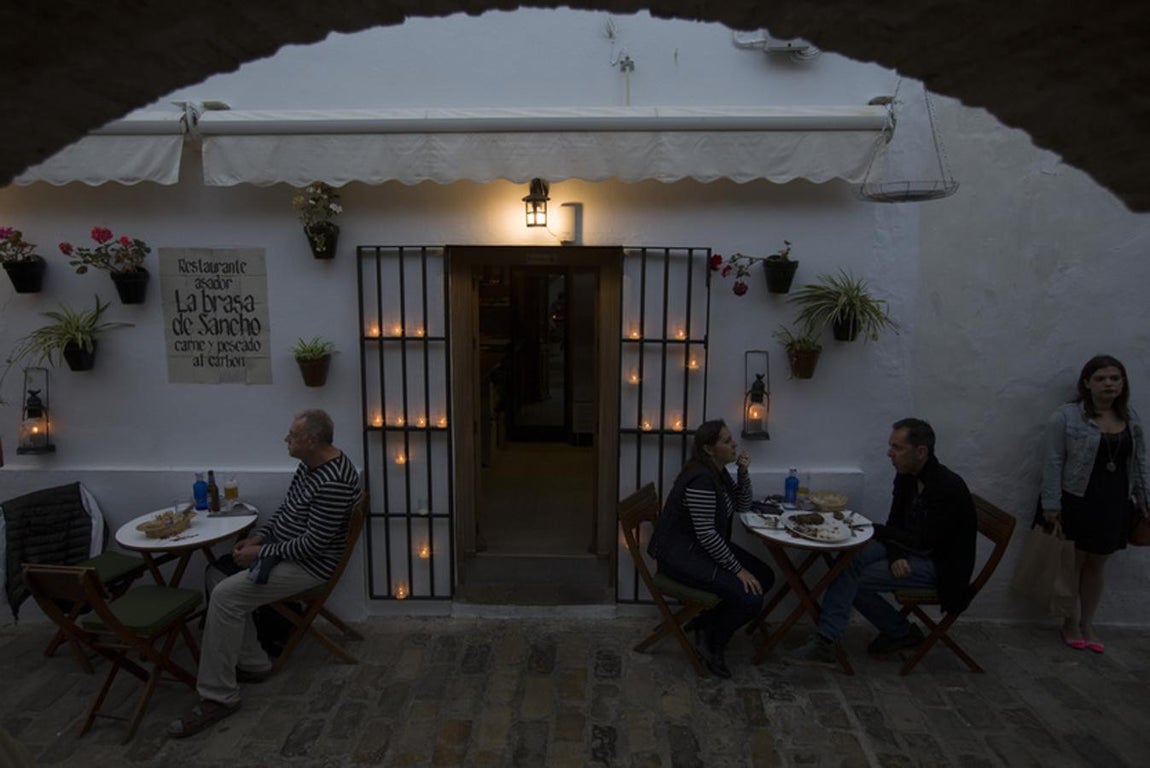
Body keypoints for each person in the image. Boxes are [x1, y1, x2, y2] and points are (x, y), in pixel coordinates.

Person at [168, 409, 360, 738]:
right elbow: (288, 512)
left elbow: (314, 545)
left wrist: (261, 553)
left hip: (309, 567)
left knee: (226, 595)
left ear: (311, 441)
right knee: (217, 575)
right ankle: (254, 663)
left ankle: (219, 697)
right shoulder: (309, 465)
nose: (286, 440)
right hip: (287, 552)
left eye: (292, 436)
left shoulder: (334, 481)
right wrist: (260, 536)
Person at [790, 418, 976, 667]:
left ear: (921, 452)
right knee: (848, 560)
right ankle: (897, 631)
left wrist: (884, 537)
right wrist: (895, 552)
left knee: (849, 577)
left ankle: (827, 640)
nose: (890, 453)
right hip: (909, 550)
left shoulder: (947, 488)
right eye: (891, 446)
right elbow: (896, 524)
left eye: (897, 448)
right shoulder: (907, 476)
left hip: (940, 566)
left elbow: (925, 541)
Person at [647, 419, 775, 678]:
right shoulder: (700, 480)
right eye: (726, 441)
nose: (733, 444)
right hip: (682, 558)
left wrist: (743, 474)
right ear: (708, 449)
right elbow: (706, 533)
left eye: (731, 440)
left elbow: (743, 506)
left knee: (765, 576)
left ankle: (708, 622)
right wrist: (737, 570)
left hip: (703, 550)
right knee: (751, 598)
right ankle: (713, 642)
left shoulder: (719, 471)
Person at [1040, 355, 1148, 653]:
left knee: (1097, 564)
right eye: (1101, 379)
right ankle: (1070, 622)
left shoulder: (1130, 417)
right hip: (1077, 498)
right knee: (1073, 563)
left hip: (1115, 501)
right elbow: (1052, 461)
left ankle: (1089, 622)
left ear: (1123, 383)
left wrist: (1144, 498)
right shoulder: (1066, 417)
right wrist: (1052, 503)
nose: (1109, 384)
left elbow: (1139, 461)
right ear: (1087, 383)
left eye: (1115, 378)